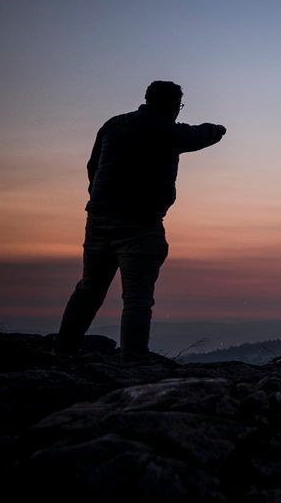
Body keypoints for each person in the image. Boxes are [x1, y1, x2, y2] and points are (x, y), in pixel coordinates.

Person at [56, 81, 226, 360]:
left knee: (90, 288)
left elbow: (93, 166)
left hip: (99, 219)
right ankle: (133, 359)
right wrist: (220, 128)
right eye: (179, 106)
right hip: (141, 224)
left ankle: (64, 349)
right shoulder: (166, 131)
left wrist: (100, 198)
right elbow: (203, 135)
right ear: (172, 106)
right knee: (137, 297)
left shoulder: (113, 125)